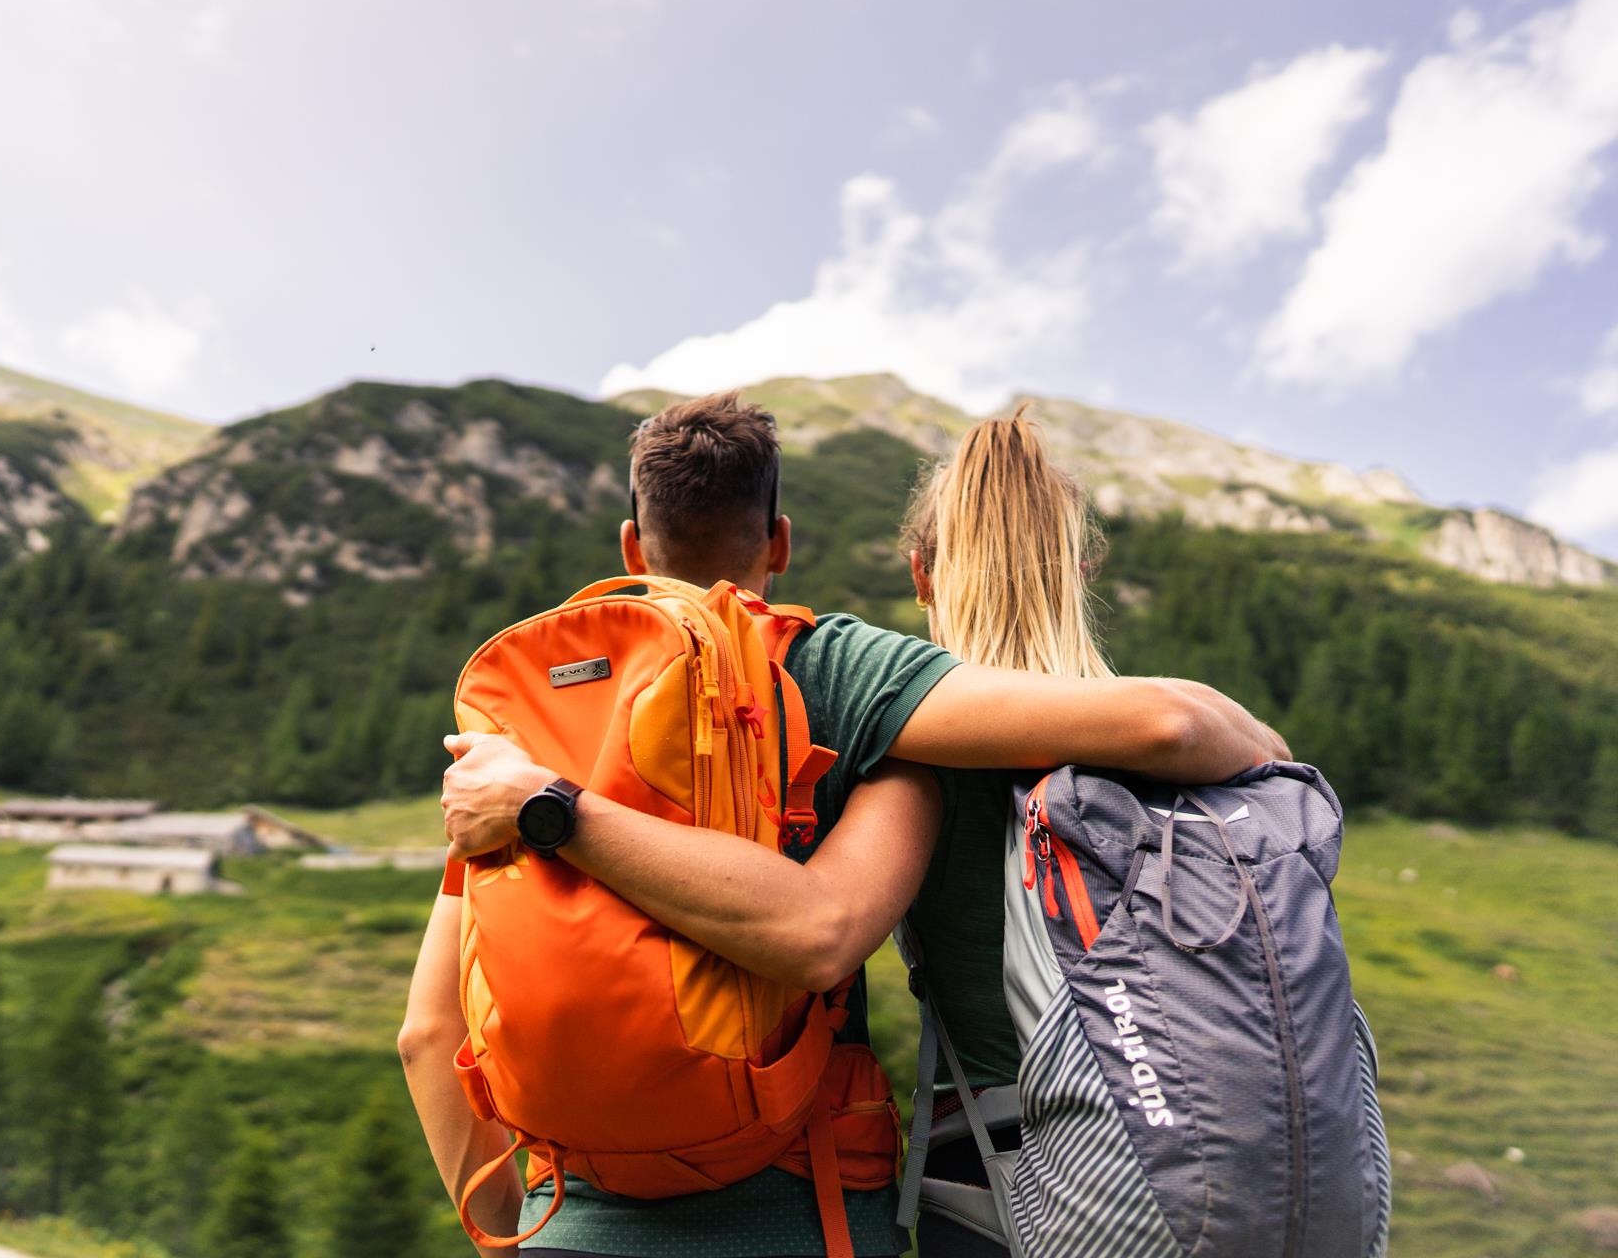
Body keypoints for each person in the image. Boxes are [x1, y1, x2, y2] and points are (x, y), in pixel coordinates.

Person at [403, 391, 1286, 1258]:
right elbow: (825, 929)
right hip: (810, 1211)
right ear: (780, 542)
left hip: (578, 1218)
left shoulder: (515, 739)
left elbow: (430, 1033)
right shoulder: (836, 673)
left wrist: (513, 1243)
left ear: (632, 547)